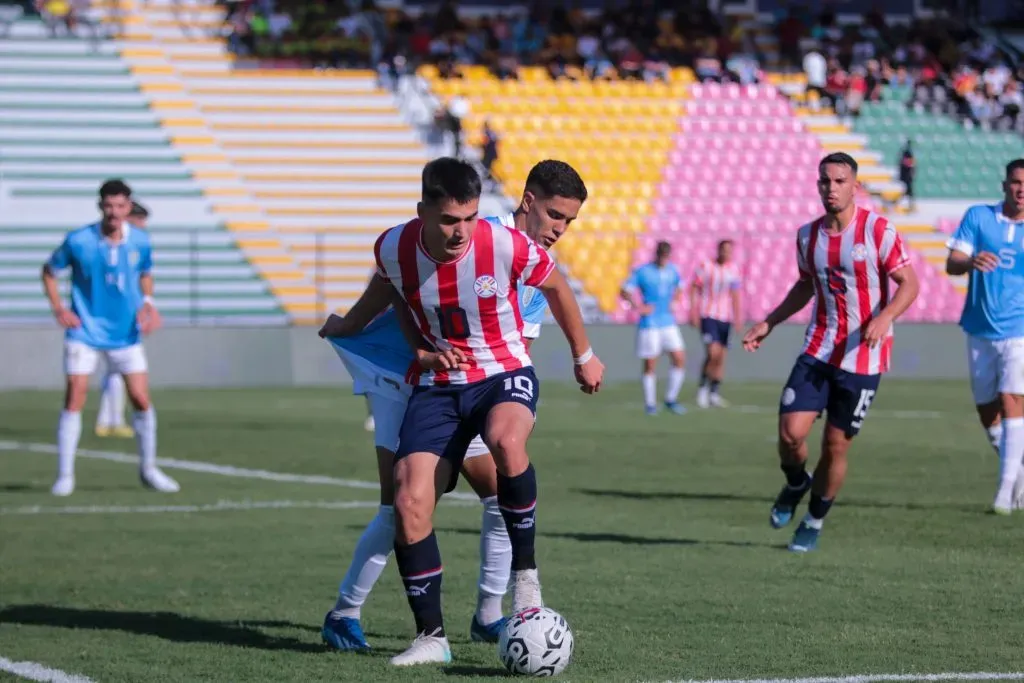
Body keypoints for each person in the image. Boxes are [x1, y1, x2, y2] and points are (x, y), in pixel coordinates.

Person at [316, 159, 589, 653]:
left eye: (569, 221)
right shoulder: (490, 238)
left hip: (472, 383)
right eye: (555, 215)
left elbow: (513, 342)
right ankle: (347, 610)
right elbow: (391, 283)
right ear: (528, 202)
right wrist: (357, 327)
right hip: (415, 382)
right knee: (403, 502)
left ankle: (488, 614)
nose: (560, 229)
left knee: (493, 488)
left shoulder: (523, 258)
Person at [742, 152, 919, 553]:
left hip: (863, 357)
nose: (831, 188)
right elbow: (805, 285)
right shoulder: (808, 236)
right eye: (825, 181)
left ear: (854, 186)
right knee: (791, 435)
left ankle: (815, 519)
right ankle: (795, 483)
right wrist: (769, 322)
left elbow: (909, 284)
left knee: (835, 446)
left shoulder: (878, 230)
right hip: (819, 348)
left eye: (840, 181)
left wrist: (885, 317)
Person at [41, 180, 179, 497]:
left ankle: (149, 470)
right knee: (75, 396)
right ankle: (65, 475)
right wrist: (58, 307)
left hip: (126, 334)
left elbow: (145, 273)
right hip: (84, 332)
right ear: (100, 206)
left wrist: (149, 303)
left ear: (129, 207)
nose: (114, 212)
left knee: (141, 400)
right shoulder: (79, 241)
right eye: (108, 206)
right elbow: (49, 271)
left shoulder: (141, 241)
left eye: (120, 206)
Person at [945, 159, 1024, 514]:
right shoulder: (979, 217)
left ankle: (1005, 492)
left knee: (1012, 401)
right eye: (1016, 183)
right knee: (987, 412)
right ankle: (1019, 476)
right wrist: (971, 261)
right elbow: (953, 262)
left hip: (1019, 330)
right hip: (978, 327)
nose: (1021, 190)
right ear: (1004, 184)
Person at [96, 200, 150, 438]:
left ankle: (110, 420)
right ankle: (111, 420)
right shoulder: (111, 246)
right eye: (139, 220)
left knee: (115, 371)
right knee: (119, 369)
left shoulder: (135, 245)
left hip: (125, 316)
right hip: (112, 319)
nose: (143, 226)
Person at [620, 241, 687, 415]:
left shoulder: (673, 270)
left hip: (668, 321)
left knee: (679, 358)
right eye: (662, 255)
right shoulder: (643, 272)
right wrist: (638, 307)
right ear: (657, 254)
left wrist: (676, 300)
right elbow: (625, 290)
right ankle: (650, 404)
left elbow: (680, 286)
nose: (664, 258)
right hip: (650, 323)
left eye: (667, 255)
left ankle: (670, 399)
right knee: (650, 363)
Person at [690, 239, 742, 409]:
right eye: (724, 249)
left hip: (725, 317)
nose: (726, 253)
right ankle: (703, 389)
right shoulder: (706, 266)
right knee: (712, 353)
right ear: (718, 250)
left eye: (729, 250)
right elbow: (694, 287)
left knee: (721, 357)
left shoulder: (733, 269)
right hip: (708, 314)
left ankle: (714, 392)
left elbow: (735, 294)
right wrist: (693, 310)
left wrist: (737, 316)